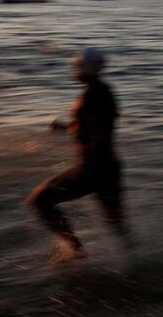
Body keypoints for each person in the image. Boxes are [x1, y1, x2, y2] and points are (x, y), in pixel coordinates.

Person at [27, 47, 126, 261]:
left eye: (77, 67)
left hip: (94, 168)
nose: (74, 70)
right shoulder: (102, 90)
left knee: (40, 200)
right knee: (117, 227)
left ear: (84, 68)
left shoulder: (93, 95)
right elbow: (90, 126)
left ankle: (76, 250)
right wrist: (65, 128)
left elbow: (98, 131)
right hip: (109, 167)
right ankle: (136, 263)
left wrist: (92, 159)